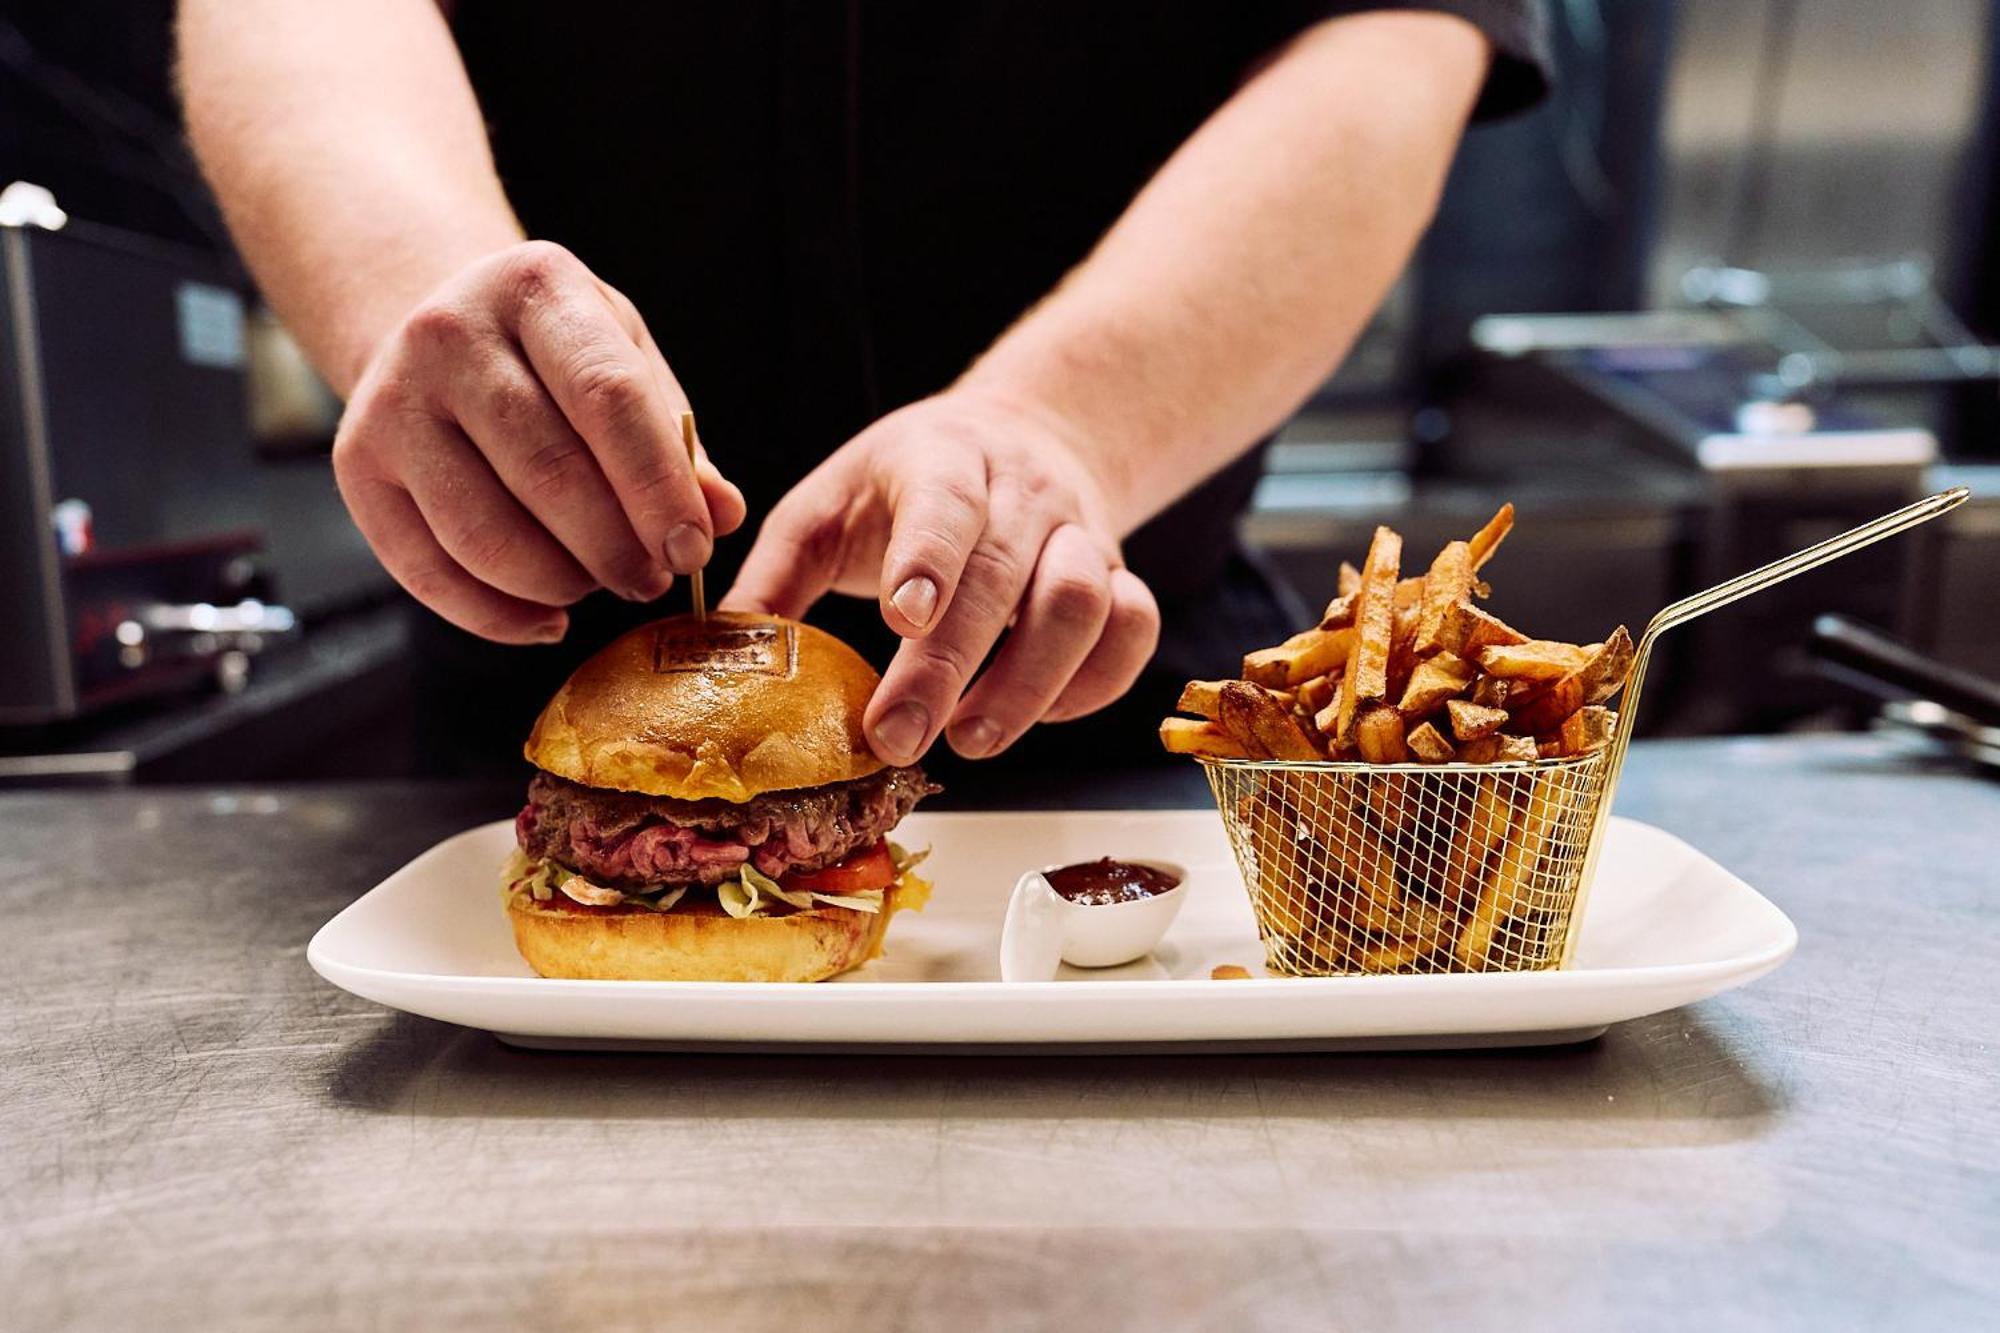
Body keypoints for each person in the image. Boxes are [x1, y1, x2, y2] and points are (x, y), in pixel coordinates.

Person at [177, 1, 1548, 782]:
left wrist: (1061, 424)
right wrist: (420, 280)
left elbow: (1397, 34)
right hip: (530, 712)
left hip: (1125, 693)